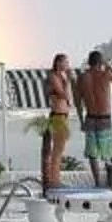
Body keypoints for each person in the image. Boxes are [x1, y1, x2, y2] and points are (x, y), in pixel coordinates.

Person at [79, 48, 112, 185]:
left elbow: (78, 101)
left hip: (90, 117)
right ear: (101, 62)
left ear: (89, 62)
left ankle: (97, 182)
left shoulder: (82, 77)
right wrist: (111, 67)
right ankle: (110, 181)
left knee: (93, 153)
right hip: (104, 118)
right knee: (108, 152)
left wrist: (82, 121)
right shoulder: (106, 74)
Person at [40, 51, 73, 190]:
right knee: (57, 150)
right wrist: (67, 80)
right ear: (58, 63)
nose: (68, 65)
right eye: (65, 62)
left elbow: (67, 97)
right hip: (57, 115)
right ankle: (54, 180)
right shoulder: (54, 77)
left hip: (62, 115)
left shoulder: (60, 76)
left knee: (60, 149)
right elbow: (62, 94)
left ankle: (55, 179)